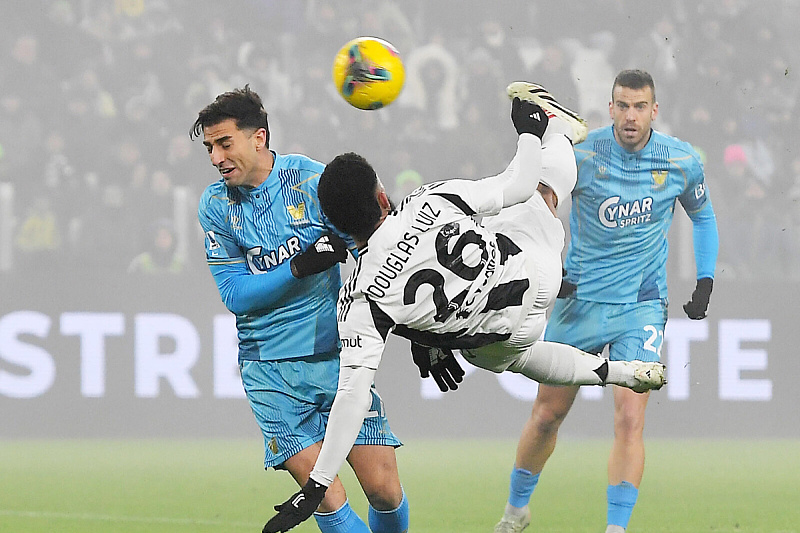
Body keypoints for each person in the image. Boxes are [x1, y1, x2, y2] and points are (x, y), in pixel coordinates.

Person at [263, 85, 667, 533]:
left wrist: (319, 483)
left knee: (521, 359)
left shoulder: (358, 300)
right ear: (382, 197)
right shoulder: (429, 199)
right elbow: (516, 185)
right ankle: (561, 135)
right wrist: (530, 135)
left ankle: (612, 372)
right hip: (535, 272)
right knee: (542, 194)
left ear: (334, 225)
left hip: (495, 340)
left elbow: (352, 396)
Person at [493, 70, 719, 533]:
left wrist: (705, 279)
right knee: (547, 415)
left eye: (640, 107)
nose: (631, 116)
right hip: (579, 303)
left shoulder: (681, 161)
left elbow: (704, 217)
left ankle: (616, 529)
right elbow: (539, 203)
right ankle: (516, 511)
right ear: (610, 107)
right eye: (622, 106)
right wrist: (548, 265)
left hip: (642, 305)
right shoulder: (582, 154)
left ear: (654, 110)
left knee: (630, 418)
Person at [191, 86, 409, 533]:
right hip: (270, 374)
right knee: (327, 498)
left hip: (336, 360)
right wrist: (297, 266)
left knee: (385, 490)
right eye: (210, 147)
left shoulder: (313, 183)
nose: (215, 157)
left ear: (259, 137)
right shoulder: (216, 206)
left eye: (224, 143)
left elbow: (373, 251)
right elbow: (234, 293)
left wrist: (422, 331)